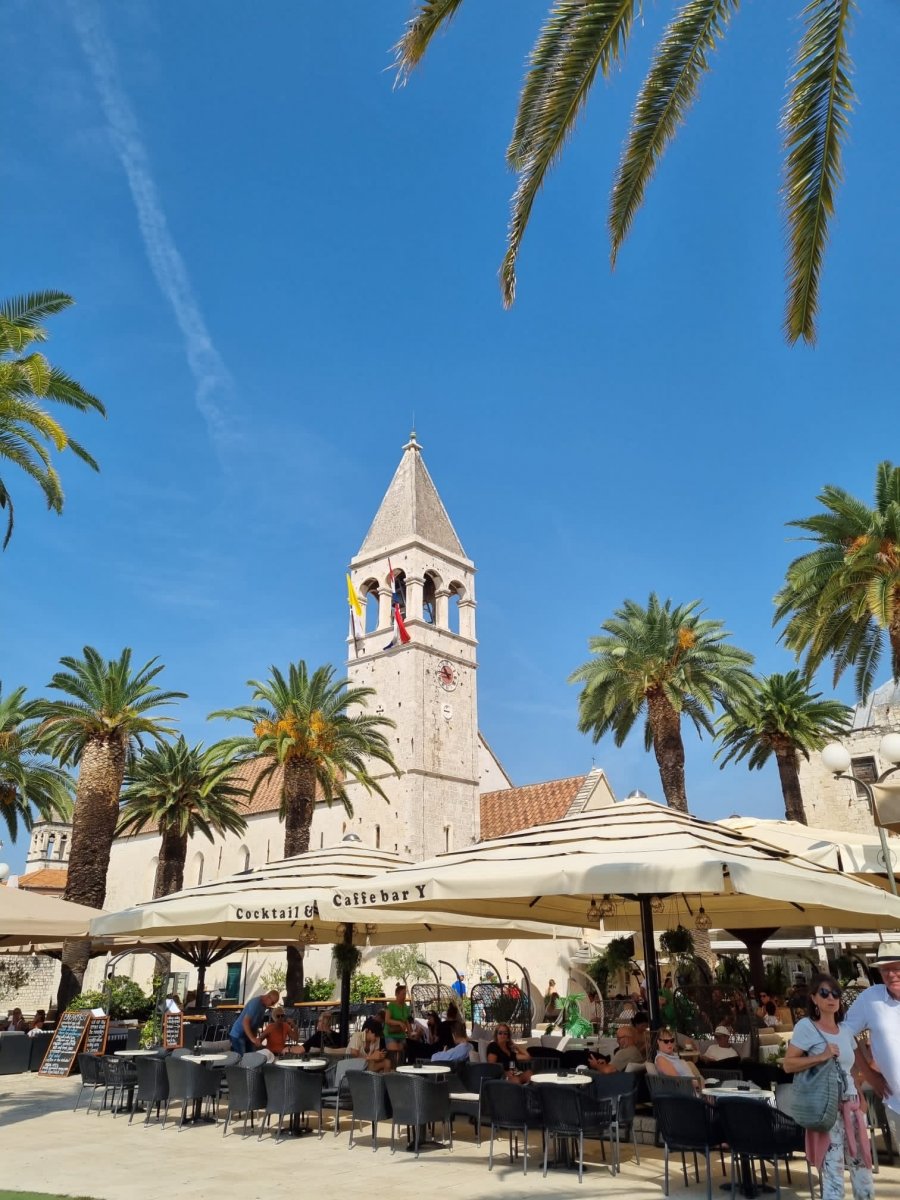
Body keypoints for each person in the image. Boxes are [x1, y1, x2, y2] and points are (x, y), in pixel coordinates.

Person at [784, 972, 873, 1200]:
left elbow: (851, 1069)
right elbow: (788, 1064)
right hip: (827, 1107)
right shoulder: (807, 1027)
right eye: (823, 993)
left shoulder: (845, 1031)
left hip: (852, 1106)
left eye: (835, 993)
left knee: (862, 1167)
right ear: (814, 998)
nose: (830, 997)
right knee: (833, 1171)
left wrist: (861, 1097)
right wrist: (821, 1056)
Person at [844, 941, 900, 1150]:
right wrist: (868, 1074)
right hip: (896, 1103)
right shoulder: (870, 999)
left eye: (896, 968)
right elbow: (845, 1034)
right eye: (886, 969)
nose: (891, 974)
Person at [229, 989, 280, 1055]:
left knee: (251, 1057)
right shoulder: (256, 1003)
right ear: (268, 997)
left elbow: (255, 1023)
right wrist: (253, 1039)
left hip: (247, 1035)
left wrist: (255, 1039)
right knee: (242, 1059)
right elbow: (245, 1022)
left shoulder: (263, 1005)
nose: (272, 1005)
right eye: (273, 1003)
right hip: (239, 1034)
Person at [385, 983, 413, 1058]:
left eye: (405, 994)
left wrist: (410, 1034)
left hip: (401, 1034)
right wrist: (399, 1022)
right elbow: (387, 1020)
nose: (404, 996)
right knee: (394, 1053)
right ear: (397, 994)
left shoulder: (405, 1006)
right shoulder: (391, 1006)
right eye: (403, 994)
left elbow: (406, 1020)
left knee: (401, 1054)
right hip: (391, 1034)